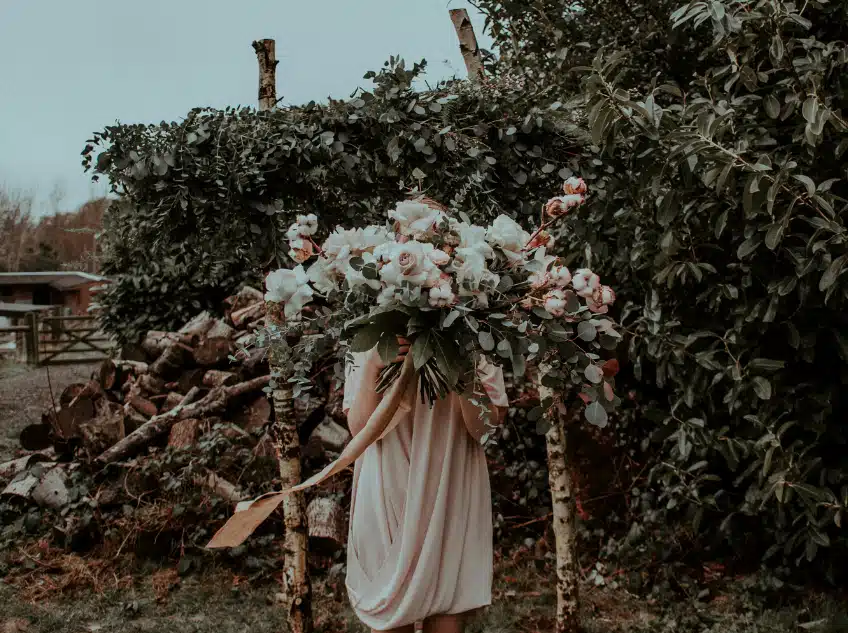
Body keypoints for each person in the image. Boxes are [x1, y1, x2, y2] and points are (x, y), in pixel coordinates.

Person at [342, 337, 509, 633]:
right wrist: (372, 367)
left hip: (450, 487)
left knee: (447, 612)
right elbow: (359, 429)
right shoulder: (371, 333)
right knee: (389, 616)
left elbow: (486, 431)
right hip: (387, 482)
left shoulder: (475, 333)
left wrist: (463, 370)